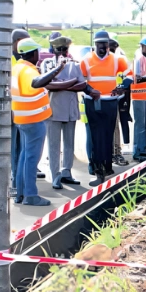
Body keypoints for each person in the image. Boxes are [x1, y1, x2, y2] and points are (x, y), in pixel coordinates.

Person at [11, 38, 66, 206]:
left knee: (25, 157)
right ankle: (30, 195)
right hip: (33, 120)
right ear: (32, 53)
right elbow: (36, 83)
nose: (39, 57)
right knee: (31, 158)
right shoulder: (27, 71)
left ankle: (21, 192)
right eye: (37, 53)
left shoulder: (17, 67)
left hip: (23, 118)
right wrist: (59, 68)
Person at [80, 31, 132, 185]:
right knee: (96, 137)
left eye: (105, 44)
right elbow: (80, 81)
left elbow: (130, 75)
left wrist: (122, 87)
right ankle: (98, 172)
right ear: (95, 44)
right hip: (93, 102)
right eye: (100, 44)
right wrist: (89, 90)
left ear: (109, 45)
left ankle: (107, 167)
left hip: (110, 101)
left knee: (108, 135)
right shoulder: (86, 60)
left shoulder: (117, 60)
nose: (103, 47)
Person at [40, 34, 85, 190]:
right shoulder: (47, 64)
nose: (62, 52)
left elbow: (82, 85)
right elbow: (48, 85)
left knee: (69, 144)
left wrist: (62, 85)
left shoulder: (74, 65)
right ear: (53, 49)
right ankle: (55, 175)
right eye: (59, 49)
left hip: (70, 109)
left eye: (65, 49)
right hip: (53, 109)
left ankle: (67, 172)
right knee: (53, 145)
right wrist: (70, 83)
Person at [109, 37, 130, 165]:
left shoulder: (118, 61)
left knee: (115, 127)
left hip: (115, 99)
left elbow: (128, 77)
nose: (111, 51)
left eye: (113, 49)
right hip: (104, 98)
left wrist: (122, 89)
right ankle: (111, 153)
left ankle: (116, 153)